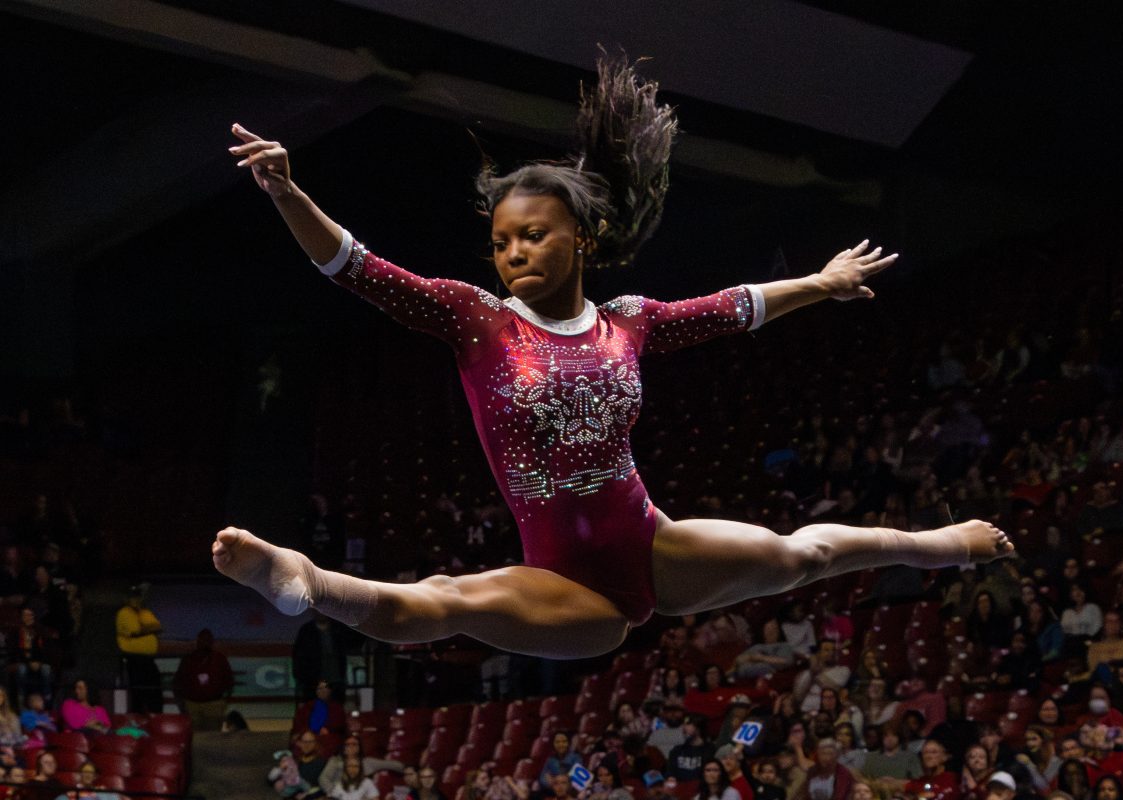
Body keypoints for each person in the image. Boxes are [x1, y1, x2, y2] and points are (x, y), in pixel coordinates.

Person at [213, 53, 1015, 659]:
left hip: (653, 546)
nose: (515, 253)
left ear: (582, 239)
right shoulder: (476, 320)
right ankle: (305, 581)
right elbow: (358, 269)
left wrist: (821, 280)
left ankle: (937, 545)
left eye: (534, 235)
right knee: (442, 602)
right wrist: (289, 192)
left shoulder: (629, 322)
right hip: (563, 585)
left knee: (806, 553)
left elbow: (736, 308)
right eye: (501, 242)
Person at [173, 627, 235, 731]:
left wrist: (223, 703)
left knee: (213, 738)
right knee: (194, 737)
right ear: (197, 641)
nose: (205, 642)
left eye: (208, 640)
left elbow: (229, 681)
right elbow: (178, 682)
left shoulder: (220, 659)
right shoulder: (188, 659)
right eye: (202, 640)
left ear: (212, 642)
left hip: (214, 704)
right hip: (192, 705)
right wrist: (182, 705)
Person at [115, 584, 163, 713]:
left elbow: (158, 627)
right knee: (138, 692)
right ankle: (138, 719)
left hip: (148, 660)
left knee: (154, 690)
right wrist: (147, 628)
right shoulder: (124, 613)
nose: (135, 599)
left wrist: (145, 628)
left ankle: (156, 717)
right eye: (132, 597)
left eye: (137, 596)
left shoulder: (145, 612)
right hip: (133, 660)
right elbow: (135, 631)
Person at [319, 734, 406, 796]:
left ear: (359, 747)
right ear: (343, 747)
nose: (351, 747)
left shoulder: (367, 762)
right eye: (348, 745)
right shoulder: (335, 761)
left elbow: (393, 765)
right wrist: (336, 793)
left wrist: (408, 769)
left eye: (354, 744)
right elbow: (323, 779)